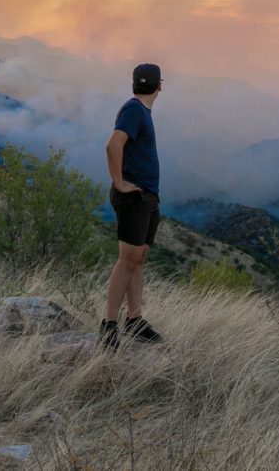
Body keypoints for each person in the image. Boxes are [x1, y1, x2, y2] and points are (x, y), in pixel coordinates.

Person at [97, 63, 165, 351]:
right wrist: (121, 183)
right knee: (127, 261)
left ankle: (134, 320)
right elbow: (113, 145)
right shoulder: (135, 110)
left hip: (147, 196)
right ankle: (109, 325)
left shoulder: (138, 110)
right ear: (160, 85)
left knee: (138, 259)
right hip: (134, 198)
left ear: (135, 83)